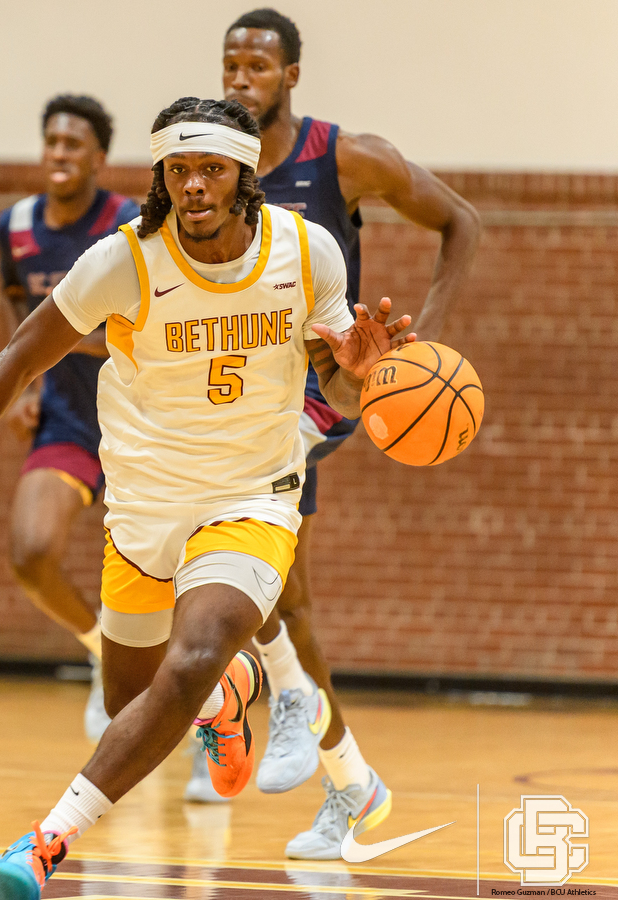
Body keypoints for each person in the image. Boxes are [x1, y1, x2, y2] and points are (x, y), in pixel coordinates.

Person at [0, 97, 415, 900]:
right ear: (161, 175)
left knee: (191, 656)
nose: (193, 185)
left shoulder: (307, 250)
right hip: (144, 503)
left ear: (244, 174)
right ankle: (230, 700)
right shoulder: (123, 261)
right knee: (134, 699)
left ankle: (45, 844)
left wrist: (357, 375)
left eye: (211, 168)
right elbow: (18, 359)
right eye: (178, 169)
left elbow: (334, 384)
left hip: (252, 494)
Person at [221, 8, 480, 858]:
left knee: (250, 565)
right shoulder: (211, 168)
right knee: (278, 593)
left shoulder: (343, 157)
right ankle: (351, 783)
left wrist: (425, 345)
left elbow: (460, 223)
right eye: (230, 63)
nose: (240, 76)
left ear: (291, 74)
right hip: (240, 393)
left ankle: (260, 708)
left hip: (324, 391)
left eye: (257, 63)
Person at [0, 95, 139, 741]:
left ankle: (204, 722)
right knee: (31, 554)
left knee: (181, 585)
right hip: (70, 420)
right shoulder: (17, 225)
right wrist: (27, 379)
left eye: (74, 144)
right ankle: (103, 650)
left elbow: (150, 327)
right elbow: (15, 302)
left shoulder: (130, 223)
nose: (59, 152)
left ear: (99, 159)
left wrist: (59, 334)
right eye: (51, 140)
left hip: (144, 426)